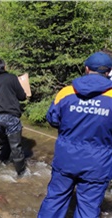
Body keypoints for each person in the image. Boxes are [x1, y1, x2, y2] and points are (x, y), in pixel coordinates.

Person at [38, 52, 112, 218]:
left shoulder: (66, 92)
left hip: (66, 159)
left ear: (86, 69)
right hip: (97, 163)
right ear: (108, 71)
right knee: (88, 208)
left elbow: (52, 119)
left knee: (55, 200)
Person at [0, 58, 27, 176]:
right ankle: (21, 174)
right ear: (4, 67)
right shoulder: (12, 77)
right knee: (16, 147)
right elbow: (22, 96)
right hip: (11, 117)